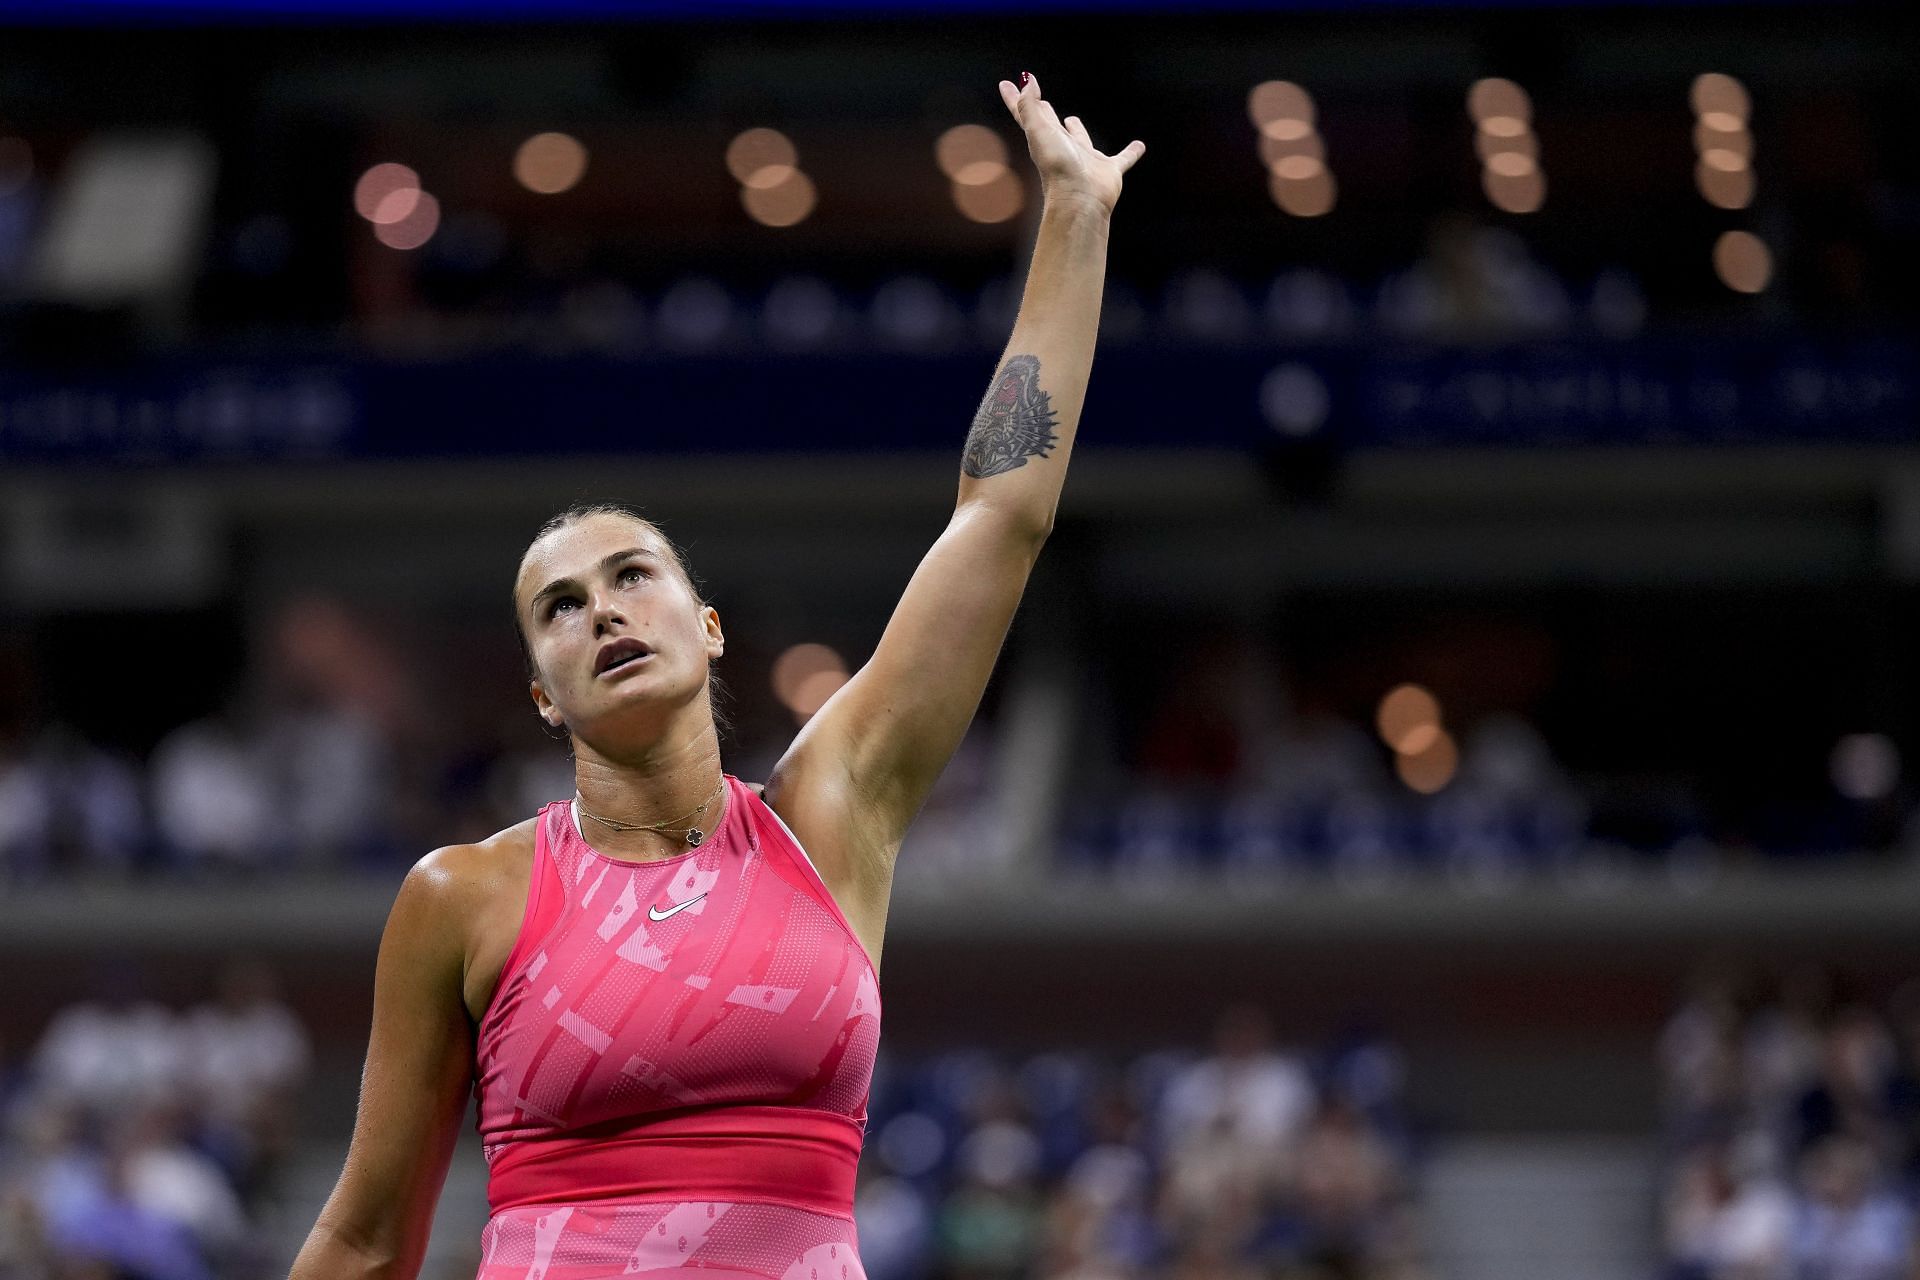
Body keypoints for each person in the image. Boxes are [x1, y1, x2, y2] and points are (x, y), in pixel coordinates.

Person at [290, 73, 1143, 1280]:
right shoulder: (463, 898)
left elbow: (1000, 516)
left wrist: (1073, 221)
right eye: (561, 607)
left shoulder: (832, 815)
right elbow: (368, 1235)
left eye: (635, 576)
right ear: (544, 691)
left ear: (710, 624)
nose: (603, 613)